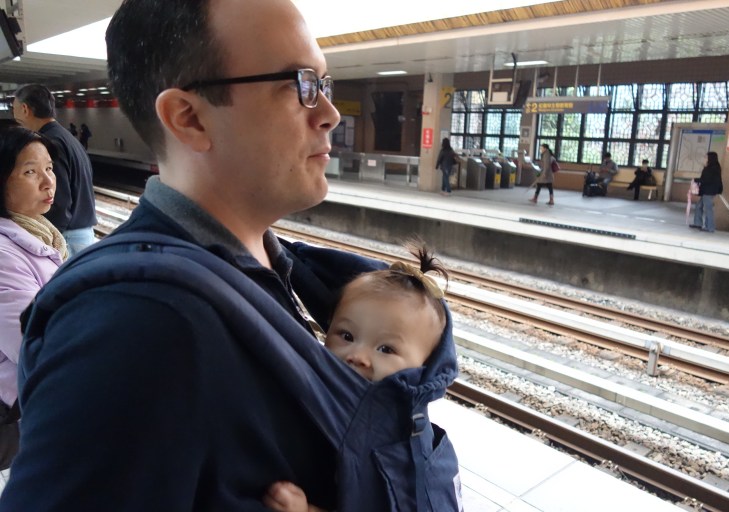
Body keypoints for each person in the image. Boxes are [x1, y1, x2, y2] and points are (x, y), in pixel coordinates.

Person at [0, 1, 457, 511]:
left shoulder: (272, 272)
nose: (328, 114)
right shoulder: (134, 323)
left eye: (324, 85)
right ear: (190, 118)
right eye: (300, 83)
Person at [265, 244, 451, 512]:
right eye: (347, 336)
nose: (358, 356)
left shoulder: (389, 437)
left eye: (386, 349)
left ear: (424, 367)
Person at [0, 126, 66, 470]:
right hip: (15, 416)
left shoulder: (41, 238)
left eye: (49, 168)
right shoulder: (2, 254)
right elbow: (36, 344)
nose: (47, 182)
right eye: (30, 171)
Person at [12, 84, 98, 254]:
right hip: (82, 233)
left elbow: (58, 199)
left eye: (13, 108)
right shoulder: (67, 137)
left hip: (67, 237)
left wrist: (49, 239)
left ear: (24, 109)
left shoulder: (48, 143)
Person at [690, 151, 723, 232]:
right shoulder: (711, 167)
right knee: (699, 206)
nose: (704, 158)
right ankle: (698, 223)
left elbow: (706, 180)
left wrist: (696, 180)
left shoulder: (712, 168)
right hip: (707, 191)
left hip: (709, 192)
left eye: (706, 157)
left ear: (710, 158)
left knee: (708, 209)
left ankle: (710, 227)